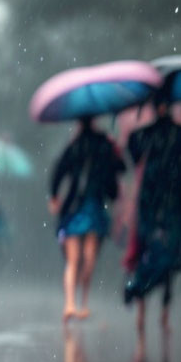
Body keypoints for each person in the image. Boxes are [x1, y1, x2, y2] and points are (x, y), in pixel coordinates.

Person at [124, 92, 181, 334]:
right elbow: (135, 152)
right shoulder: (151, 133)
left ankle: (160, 312)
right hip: (152, 202)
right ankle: (142, 297)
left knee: (170, 257)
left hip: (171, 201)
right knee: (151, 252)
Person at [49, 116, 125, 323]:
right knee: (84, 258)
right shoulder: (99, 145)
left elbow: (58, 171)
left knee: (79, 259)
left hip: (81, 206)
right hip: (86, 207)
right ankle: (76, 303)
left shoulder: (79, 145)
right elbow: (119, 170)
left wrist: (55, 196)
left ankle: (75, 303)